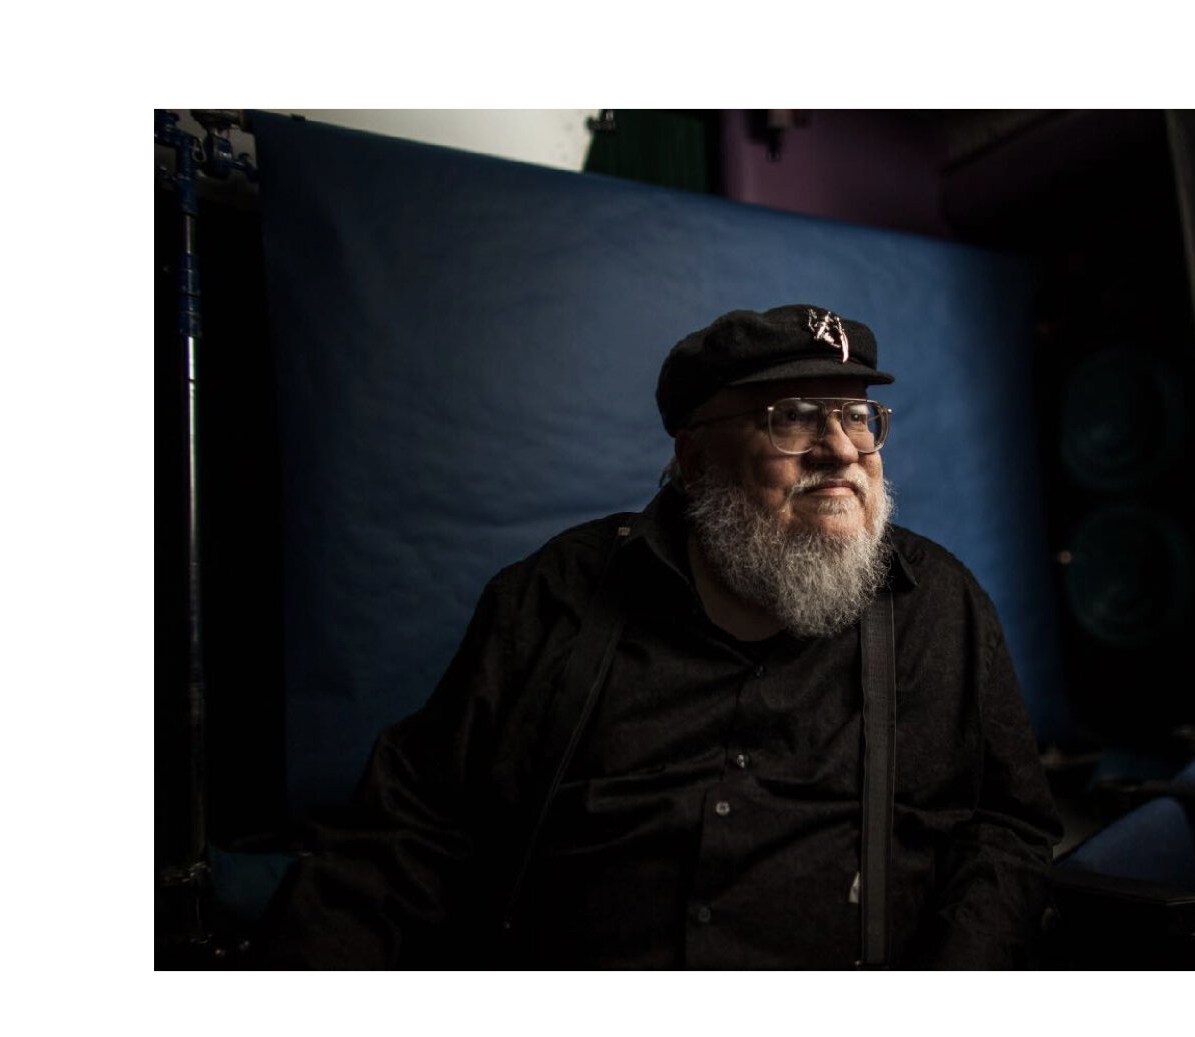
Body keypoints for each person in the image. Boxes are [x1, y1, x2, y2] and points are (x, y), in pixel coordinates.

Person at [265, 304, 1061, 968]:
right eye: (792, 418)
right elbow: (407, 833)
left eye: (857, 415)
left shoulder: (939, 606)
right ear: (694, 457)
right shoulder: (555, 596)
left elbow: (1007, 833)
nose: (843, 449)